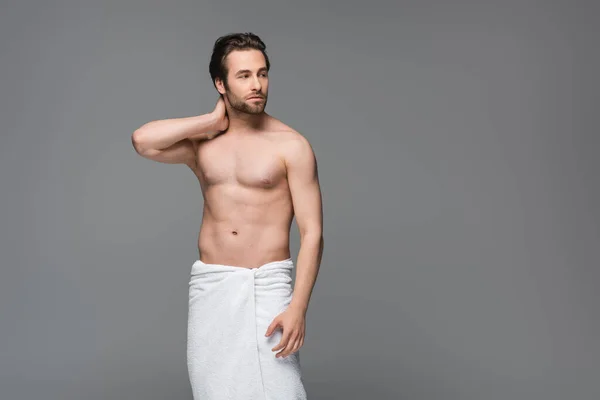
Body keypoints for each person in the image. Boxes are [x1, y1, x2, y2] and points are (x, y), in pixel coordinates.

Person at [131, 32, 323, 399]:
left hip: (266, 286)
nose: (257, 85)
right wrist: (208, 121)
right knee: (213, 390)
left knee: (280, 390)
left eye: (262, 74)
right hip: (212, 285)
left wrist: (298, 308)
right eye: (244, 75)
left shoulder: (291, 145)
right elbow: (143, 141)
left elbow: (312, 232)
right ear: (220, 83)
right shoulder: (203, 145)